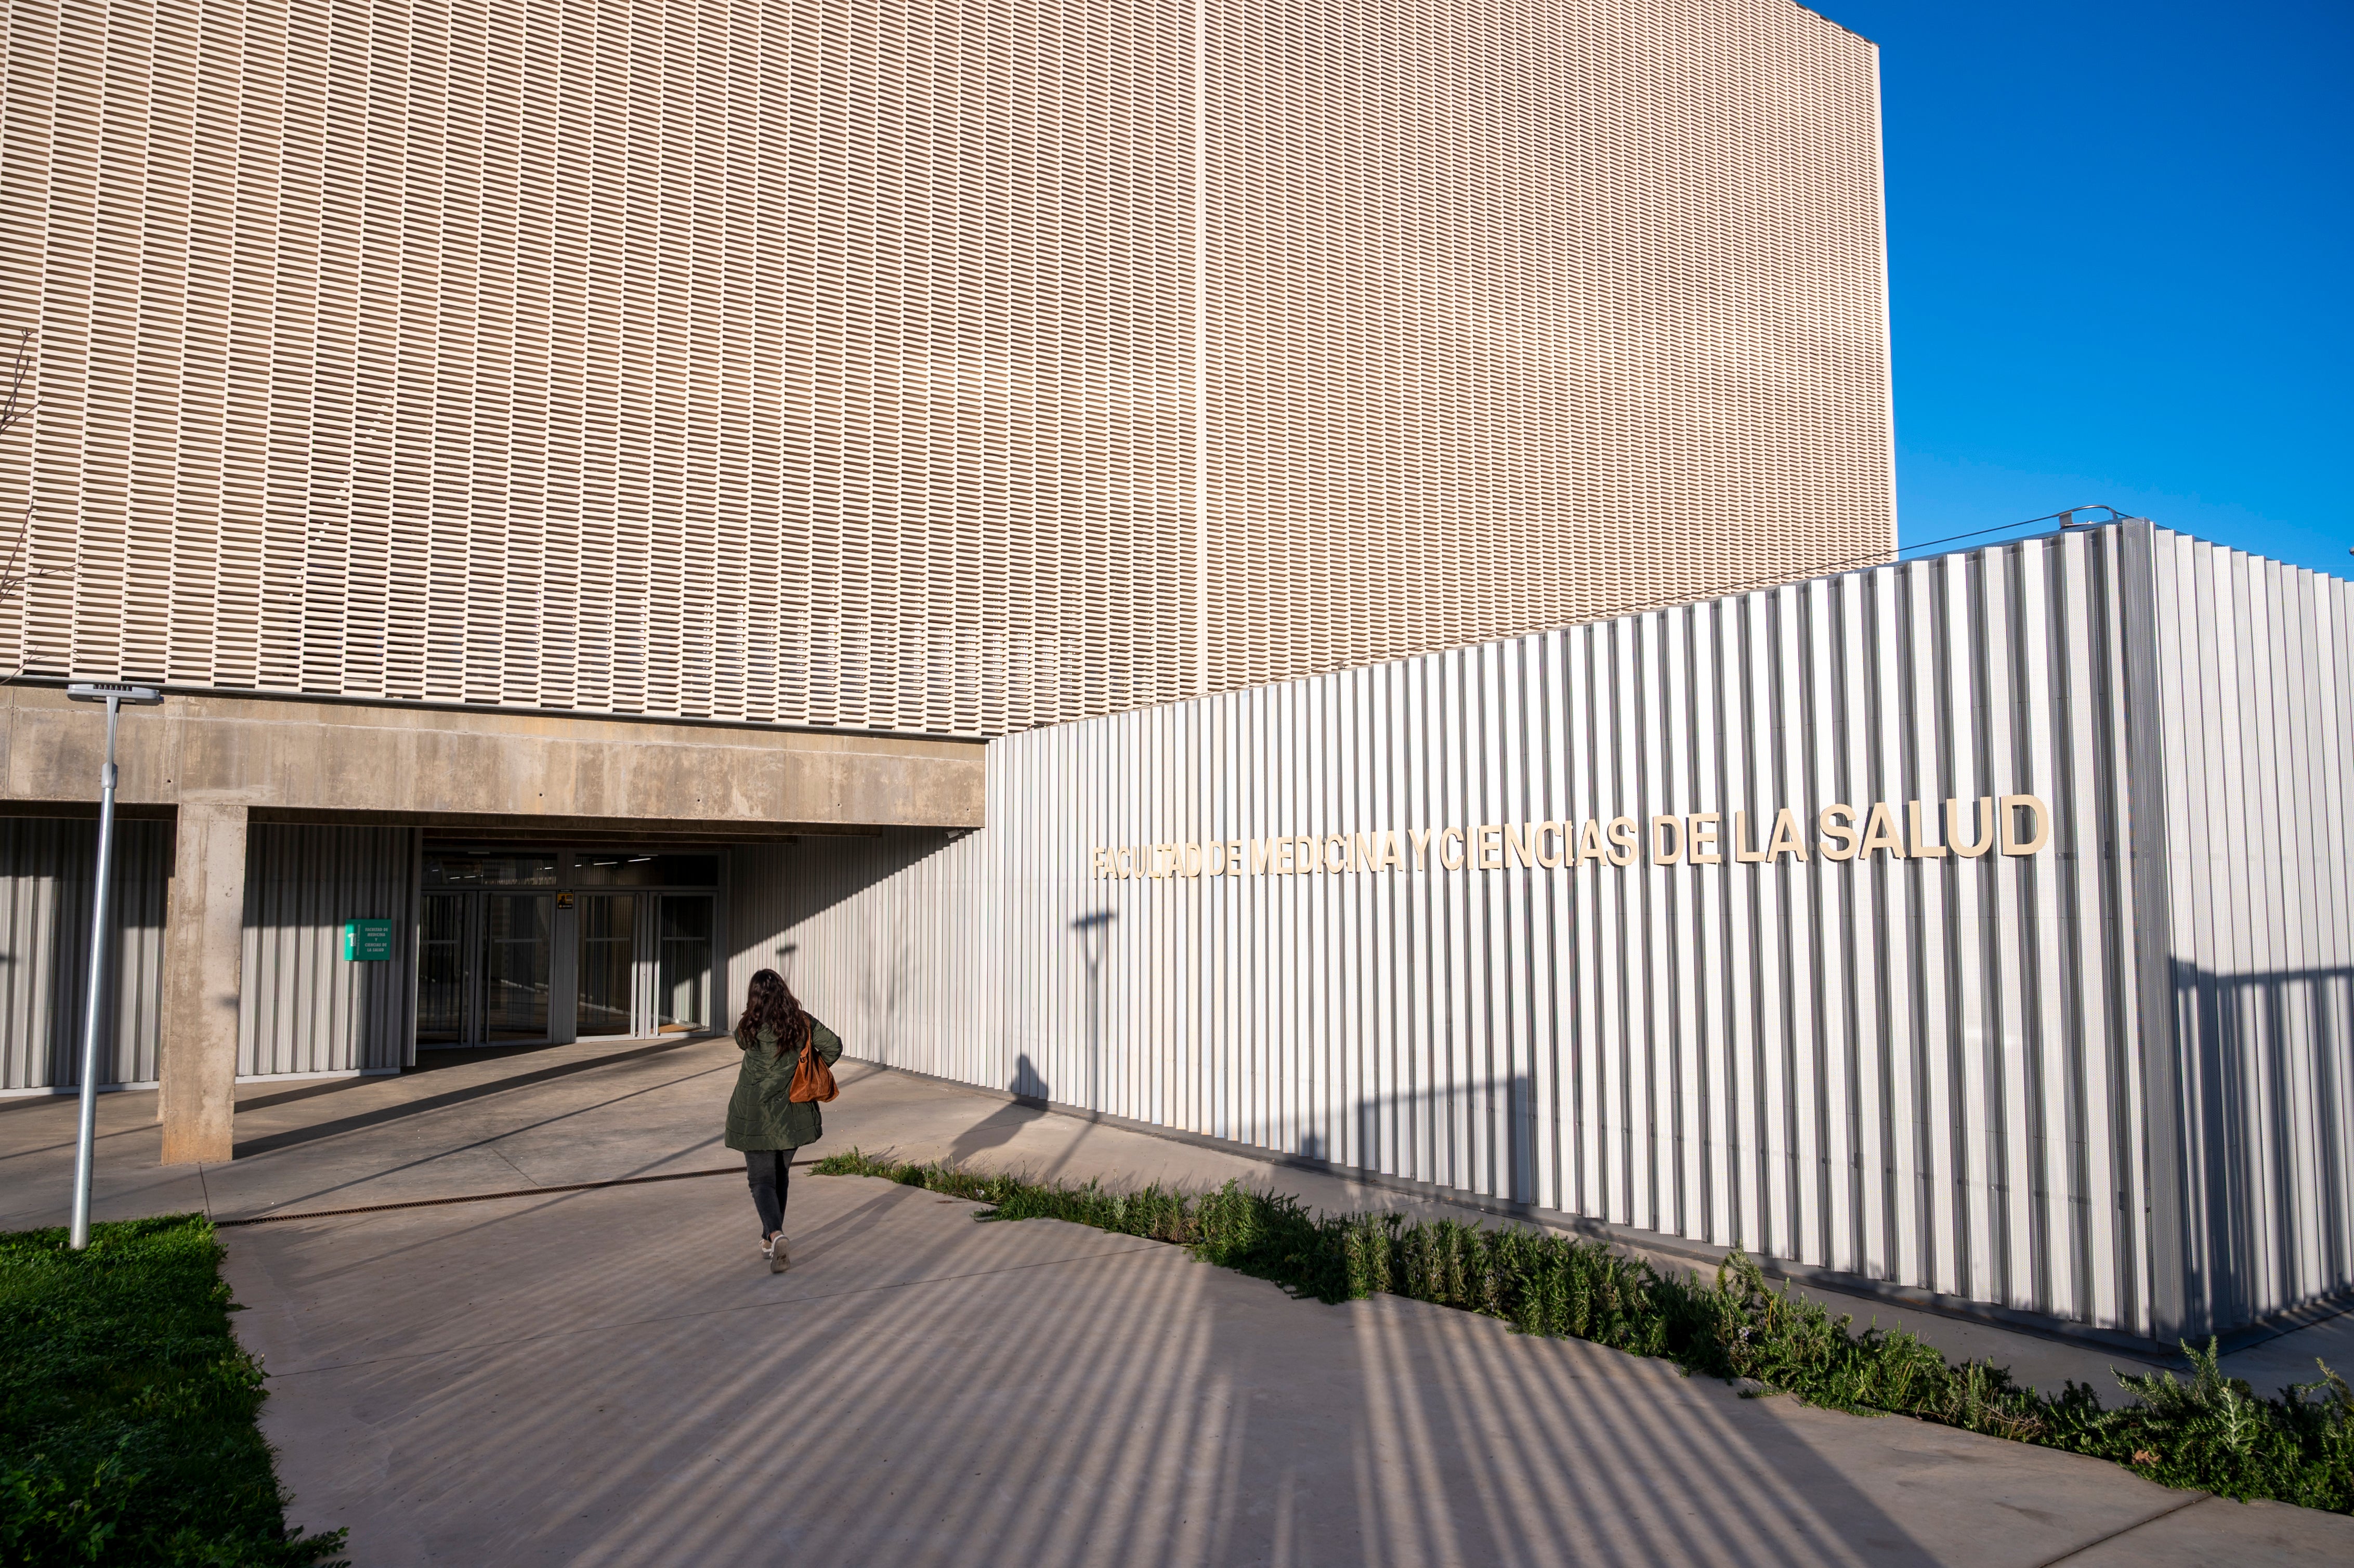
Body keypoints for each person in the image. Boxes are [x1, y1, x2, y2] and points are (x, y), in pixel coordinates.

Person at [724, 969, 843, 1272]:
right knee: (780, 1177)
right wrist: (808, 1069)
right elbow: (833, 1046)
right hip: (792, 1113)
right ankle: (770, 1239)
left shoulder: (748, 1025)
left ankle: (775, 1235)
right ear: (784, 991)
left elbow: (740, 1041)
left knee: (761, 1181)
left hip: (754, 1114)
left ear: (754, 997)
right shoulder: (801, 1023)